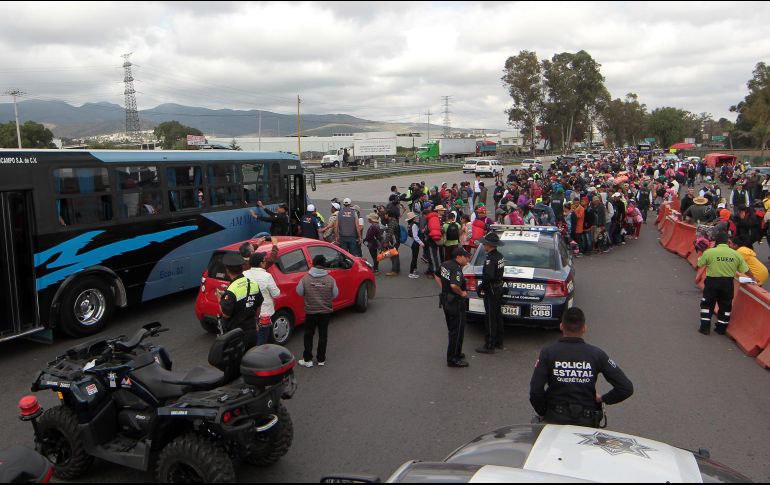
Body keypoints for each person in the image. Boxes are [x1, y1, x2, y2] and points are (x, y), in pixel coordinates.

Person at [529, 307, 634, 427]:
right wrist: (603, 399)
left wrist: (543, 412)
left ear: (561, 326)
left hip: (555, 419)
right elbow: (626, 388)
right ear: (584, 328)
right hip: (586, 422)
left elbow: (535, 390)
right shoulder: (597, 354)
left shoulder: (548, 353)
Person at [697, 232, 750, 335]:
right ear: (727, 242)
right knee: (725, 305)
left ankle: (705, 328)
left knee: (707, 304)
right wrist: (753, 278)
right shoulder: (736, 254)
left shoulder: (709, 252)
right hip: (727, 283)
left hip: (712, 282)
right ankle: (721, 329)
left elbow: (700, 264)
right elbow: (745, 270)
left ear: (716, 241)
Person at [296, 255, 339, 367]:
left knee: (308, 335)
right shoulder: (330, 279)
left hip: (310, 312)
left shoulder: (305, 279)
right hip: (325, 312)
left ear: (313, 264)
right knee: (323, 335)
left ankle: (307, 360)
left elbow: (299, 292)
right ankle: (321, 359)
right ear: (324, 265)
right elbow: (335, 294)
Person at [217, 251, 264, 349]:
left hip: (236, 335)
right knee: (251, 356)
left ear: (227, 270)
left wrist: (220, 300)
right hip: (252, 332)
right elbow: (258, 307)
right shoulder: (253, 283)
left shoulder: (231, 290)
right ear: (242, 268)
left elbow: (226, 314)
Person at [435, 247, 472, 368]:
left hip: (446, 300)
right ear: (459, 257)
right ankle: (453, 359)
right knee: (457, 331)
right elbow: (454, 285)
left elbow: (436, 275)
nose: (467, 259)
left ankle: (457, 352)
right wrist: (462, 293)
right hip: (455, 303)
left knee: (453, 329)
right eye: (466, 257)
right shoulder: (456, 269)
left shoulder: (445, 264)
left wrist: (443, 288)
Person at [244, 247, 281, 346]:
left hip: (249, 312)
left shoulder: (244, 274)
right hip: (265, 314)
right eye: (264, 260)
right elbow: (276, 294)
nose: (265, 262)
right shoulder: (267, 276)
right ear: (261, 263)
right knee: (262, 340)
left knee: (256, 338)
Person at [476, 232, 505, 354]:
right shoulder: (500, 256)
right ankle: (499, 341)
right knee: (497, 316)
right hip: (498, 289)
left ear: (489, 245)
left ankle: (489, 345)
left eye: (485, 244)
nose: (484, 245)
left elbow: (489, 276)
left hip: (491, 290)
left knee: (490, 318)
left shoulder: (490, 258)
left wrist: (481, 286)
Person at [406, 211, 424, 279]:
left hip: (412, 242)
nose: (416, 218)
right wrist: (421, 243)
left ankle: (414, 269)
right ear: (413, 218)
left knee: (414, 257)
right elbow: (415, 236)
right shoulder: (414, 225)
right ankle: (411, 272)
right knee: (414, 258)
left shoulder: (409, 224)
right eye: (415, 217)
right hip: (415, 243)